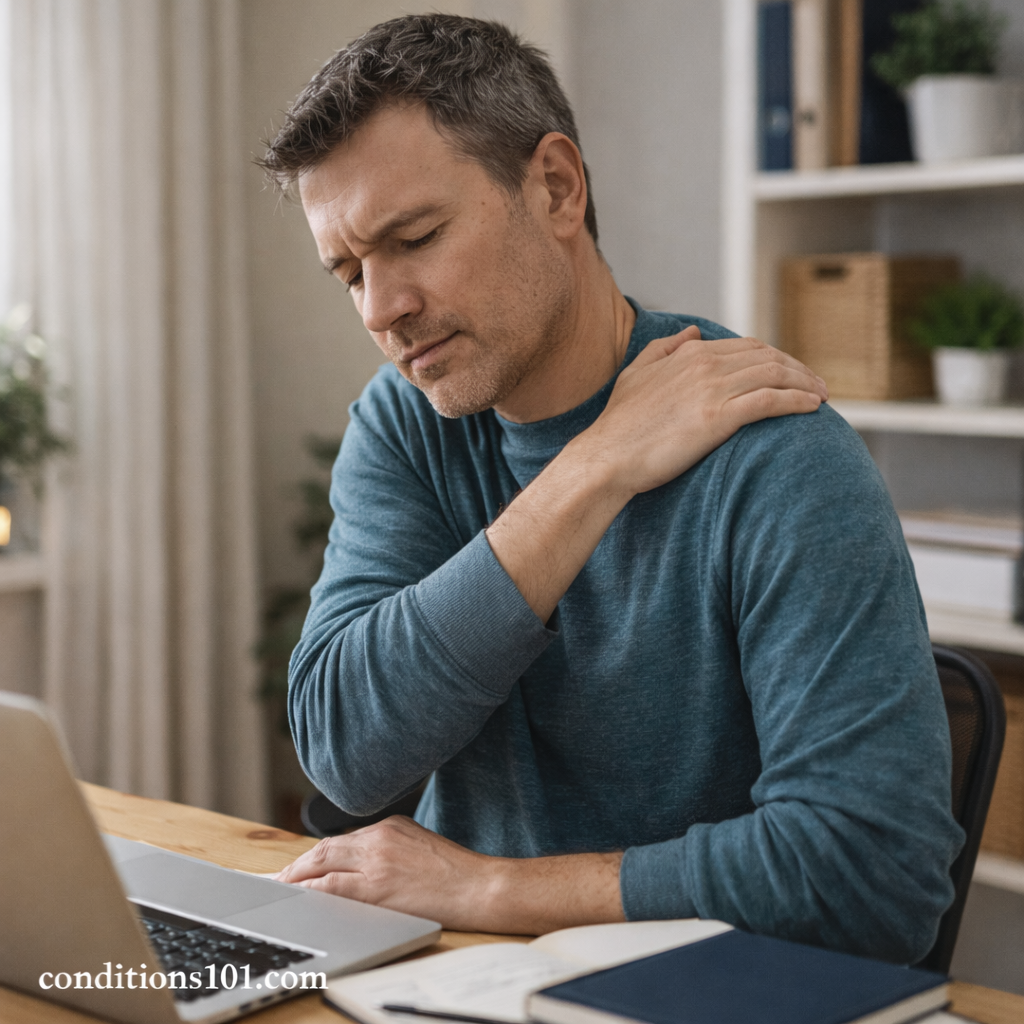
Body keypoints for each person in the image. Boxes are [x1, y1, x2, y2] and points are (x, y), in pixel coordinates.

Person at [261, 15, 962, 962]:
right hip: (463, 983)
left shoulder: (777, 454)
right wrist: (592, 469)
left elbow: (874, 872)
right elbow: (345, 750)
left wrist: (494, 886)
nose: (383, 309)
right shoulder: (409, 424)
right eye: (349, 271)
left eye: (416, 237)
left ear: (555, 186)